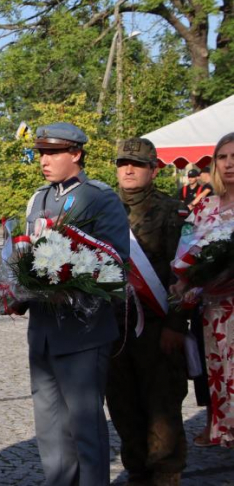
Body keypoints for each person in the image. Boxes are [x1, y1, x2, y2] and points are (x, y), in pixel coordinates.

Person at [24, 122, 130, 486]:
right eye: (41, 153)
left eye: (53, 153)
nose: (45, 160)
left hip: (83, 333)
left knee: (85, 430)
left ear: (76, 154)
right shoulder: (39, 199)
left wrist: (69, 284)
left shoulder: (100, 198)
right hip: (43, 331)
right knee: (50, 431)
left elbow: (116, 265)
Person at [107, 137, 189, 485]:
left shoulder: (172, 211)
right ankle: (137, 469)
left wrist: (175, 324)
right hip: (115, 326)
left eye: (137, 164)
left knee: (162, 405)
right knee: (122, 403)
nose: (128, 169)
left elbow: (182, 273)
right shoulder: (103, 210)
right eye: (123, 163)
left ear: (153, 170)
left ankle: (166, 471)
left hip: (157, 326)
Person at [174, 132, 234, 448]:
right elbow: (185, 253)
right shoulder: (203, 207)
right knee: (219, 381)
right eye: (222, 157)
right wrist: (184, 282)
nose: (229, 164)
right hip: (211, 312)